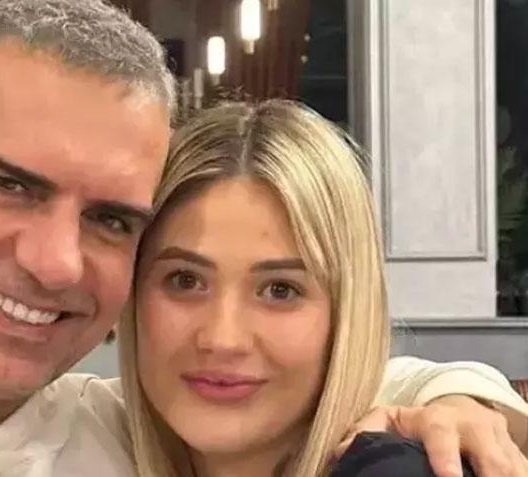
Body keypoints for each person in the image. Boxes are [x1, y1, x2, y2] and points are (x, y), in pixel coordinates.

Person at [0, 1, 526, 476]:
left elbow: (343, 384)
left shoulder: (118, 435)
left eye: (111, 218)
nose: (54, 261)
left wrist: (462, 401)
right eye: (10, 185)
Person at [119, 99, 528, 477]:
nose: (223, 340)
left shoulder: (396, 457)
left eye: (280, 290)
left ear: (347, 312)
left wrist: (462, 409)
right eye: (185, 280)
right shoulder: (93, 434)